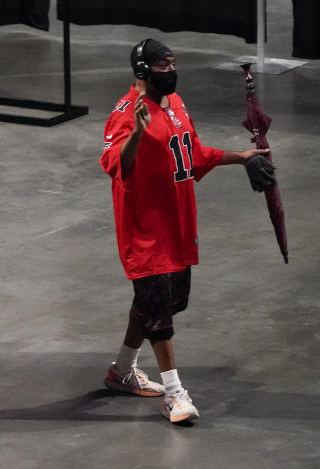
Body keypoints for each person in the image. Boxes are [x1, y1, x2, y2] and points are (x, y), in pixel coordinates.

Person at [99, 39, 271, 423]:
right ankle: (175, 395)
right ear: (143, 72)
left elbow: (191, 155)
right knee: (159, 316)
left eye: (174, 62)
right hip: (145, 231)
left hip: (177, 225)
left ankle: (122, 371)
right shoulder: (127, 113)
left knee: (156, 303)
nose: (171, 70)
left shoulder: (175, 105)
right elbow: (115, 164)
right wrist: (138, 133)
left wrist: (239, 158)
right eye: (163, 65)